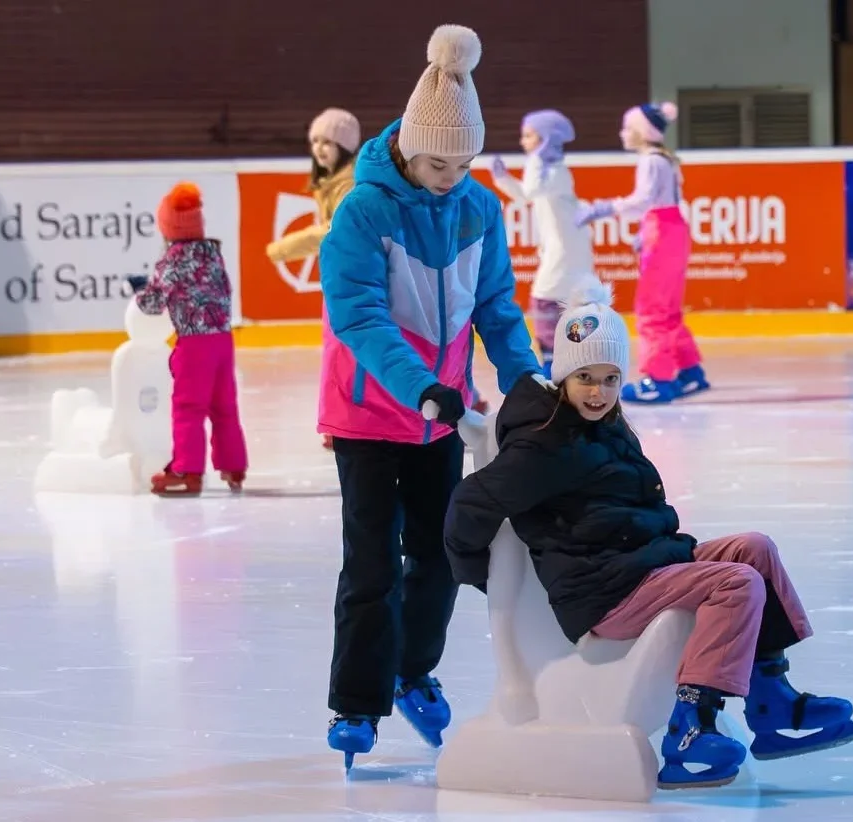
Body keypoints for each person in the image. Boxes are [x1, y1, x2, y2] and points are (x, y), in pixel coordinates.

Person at [442, 286, 853, 789]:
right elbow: (470, 504)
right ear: (563, 377)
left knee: (755, 548)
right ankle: (689, 730)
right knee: (735, 583)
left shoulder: (606, 425)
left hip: (641, 564)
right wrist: (483, 580)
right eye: (585, 379)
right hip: (604, 592)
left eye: (610, 379)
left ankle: (770, 699)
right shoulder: (544, 446)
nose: (598, 392)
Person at [316, 23, 544, 767]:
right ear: (409, 148)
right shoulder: (362, 211)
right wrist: (421, 388)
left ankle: (414, 674)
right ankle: (356, 703)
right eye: (438, 162)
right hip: (370, 416)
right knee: (372, 566)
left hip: (440, 422)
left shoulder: (479, 211)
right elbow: (359, 317)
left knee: (443, 560)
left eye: (463, 162)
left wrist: (525, 379)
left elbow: (497, 306)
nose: (450, 175)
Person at [577, 101, 706, 404]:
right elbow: (662, 201)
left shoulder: (650, 160)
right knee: (669, 308)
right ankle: (689, 370)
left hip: (662, 232)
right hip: (673, 229)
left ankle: (658, 380)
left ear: (642, 132)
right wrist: (643, 230)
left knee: (651, 310)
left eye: (628, 127)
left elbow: (643, 199)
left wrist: (604, 208)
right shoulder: (665, 159)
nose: (623, 133)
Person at [128, 183, 248, 496]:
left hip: (194, 344)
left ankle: (187, 469)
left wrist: (139, 291)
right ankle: (234, 465)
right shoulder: (212, 253)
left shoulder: (172, 260)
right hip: (223, 340)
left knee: (188, 407)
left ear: (168, 228)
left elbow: (152, 304)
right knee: (224, 406)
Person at [266, 108, 363, 452]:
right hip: (341, 279)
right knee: (339, 352)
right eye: (316, 141)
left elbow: (334, 230)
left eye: (329, 142)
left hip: (351, 282)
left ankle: (341, 424)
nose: (320, 149)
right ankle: (339, 423)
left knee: (341, 352)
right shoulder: (333, 182)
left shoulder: (348, 184)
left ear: (346, 146)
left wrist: (285, 248)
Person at [489, 110, 603, 380]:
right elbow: (528, 194)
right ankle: (569, 359)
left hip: (565, 252)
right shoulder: (549, 172)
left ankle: (557, 362)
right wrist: (503, 179)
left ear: (545, 139)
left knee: (545, 301)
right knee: (560, 303)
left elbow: (531, 190)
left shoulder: (554, 171)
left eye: (529, 136)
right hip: (564, 250)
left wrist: (534, 159)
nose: (523, 141)